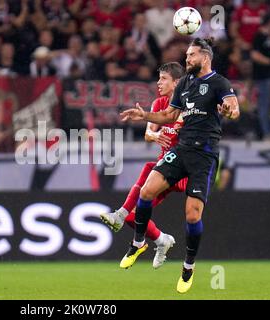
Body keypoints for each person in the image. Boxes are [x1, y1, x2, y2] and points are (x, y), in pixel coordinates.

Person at [120, 38, 240, 293]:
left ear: (205, 58)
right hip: (181, 149)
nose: (187, 59)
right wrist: (144, 116)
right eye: (186, 55)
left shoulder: (219, 83)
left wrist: (229, 110)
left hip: (204, 155)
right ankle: (138, 241)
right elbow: (168, 116)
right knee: (146, 191)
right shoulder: (184, 82)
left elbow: (234, 108)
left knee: (192, 215)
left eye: (191, 55)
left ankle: (188, 266)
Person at [100, 62, 187, 270]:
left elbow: (185, 128)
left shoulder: (188, 104)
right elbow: (148, 134)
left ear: (176, 82)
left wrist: (173, 132)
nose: (158, 83)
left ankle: (119, 214)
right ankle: (161, 240)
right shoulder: (158, 103)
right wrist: (157, 135)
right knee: (134, 215)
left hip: (184, 170)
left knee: (150, 167)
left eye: (163, 79)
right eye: (158, 78)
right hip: (165, 169)